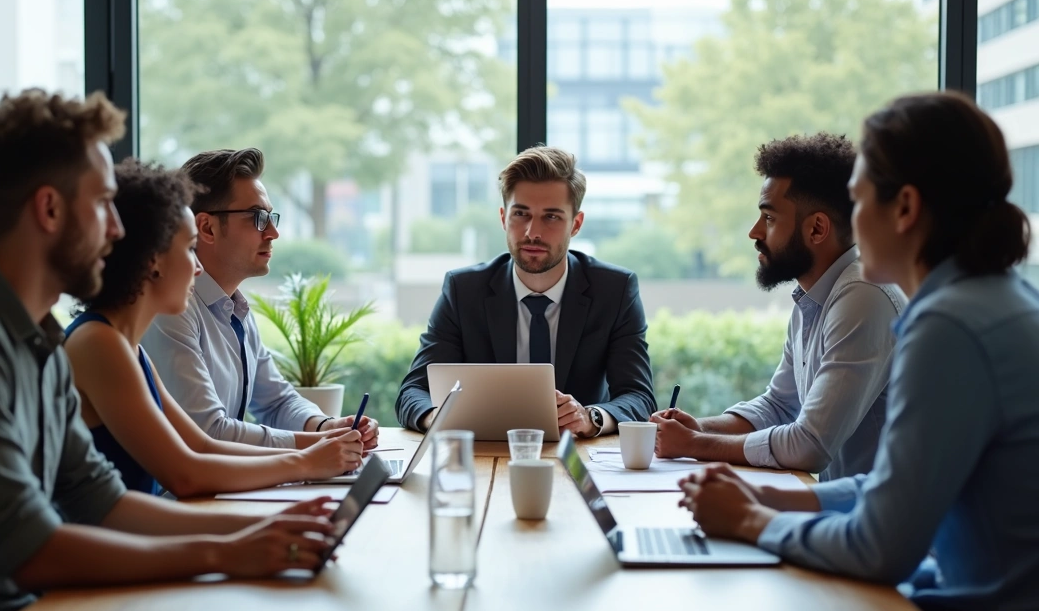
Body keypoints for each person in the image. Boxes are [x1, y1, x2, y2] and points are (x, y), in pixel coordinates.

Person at [0, 90, 336, 611]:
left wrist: (274, 527)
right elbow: (29, 548)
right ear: (49, 209)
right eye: (102, 204)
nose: (117, 230)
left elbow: (102, 501)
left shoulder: (40, 340)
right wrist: (226, 552)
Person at [679, 92, 1039, 611]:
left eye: (858, 200)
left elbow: (879, 548)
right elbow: (899, 486)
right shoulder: (998, 298)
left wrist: (748, 521)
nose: (850, 222)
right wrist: (776, 498)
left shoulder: (947, 327)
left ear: (906, 208)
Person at [63, 159, 364, 498]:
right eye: (189, 249)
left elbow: (202, 447)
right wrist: (306, 461)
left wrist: (320, 446)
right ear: (154, 259)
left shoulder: (131, 349)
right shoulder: (99, 343)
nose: (197, 267)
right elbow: (187, 471)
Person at [651, 133, 906, 480]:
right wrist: (699, 428)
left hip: (876, 511)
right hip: (839, 503)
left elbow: (810, 445)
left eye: (769, 218)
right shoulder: (814, 296)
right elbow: (780, 405)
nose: (754, 232)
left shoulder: (863, 297)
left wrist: (695, 444)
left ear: (817, 228)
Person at [395, 145, 656, 436]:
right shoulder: (463, 291)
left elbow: (639, 397)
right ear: (503, 218)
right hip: (487, 451)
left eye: (551, 217)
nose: (533, 232)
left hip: (577, 453)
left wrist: (590, 417)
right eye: (521, 214)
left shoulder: (614, 291)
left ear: (576, 224)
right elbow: (413, 392)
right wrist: (440, 418)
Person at [141, 148, 379, 450]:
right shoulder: (171, 311)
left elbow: (276, 401)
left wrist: (327, 426)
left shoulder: (235, 309)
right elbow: (206, 432)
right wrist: (316, 446)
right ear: (207, 228)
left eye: (270, 217)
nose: (273, 232)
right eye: (257, 217)